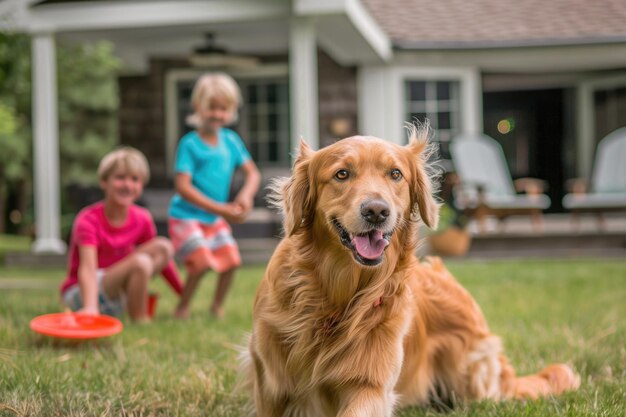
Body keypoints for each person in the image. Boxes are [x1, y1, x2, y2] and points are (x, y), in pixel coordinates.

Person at [168, 72, 260, 319]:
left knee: (231, 260)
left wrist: (246, 196)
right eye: (212, 108)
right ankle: (182, 308)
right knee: (200, 263)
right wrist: (220, 210)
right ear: (198, 106)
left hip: (213, 218)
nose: (218, 114)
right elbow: (183, 187)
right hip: (185, 216)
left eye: (224, 109)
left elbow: (252, 174)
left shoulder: (230, 141)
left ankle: (217, 307)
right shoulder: (190, 144)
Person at [60, 147, 183, 322]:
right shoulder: (88, 219)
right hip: (82, 292)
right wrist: (90, 307)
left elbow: (163, 259)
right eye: (120, 178)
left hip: (117, 289)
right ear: (104, 181)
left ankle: (133, 313)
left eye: (134, 179)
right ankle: (140, 318)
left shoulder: (142, 218)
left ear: (141, 185)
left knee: (163, 246)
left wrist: (182, 294)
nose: (127, 185)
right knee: (141, 262)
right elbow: (87, 267)